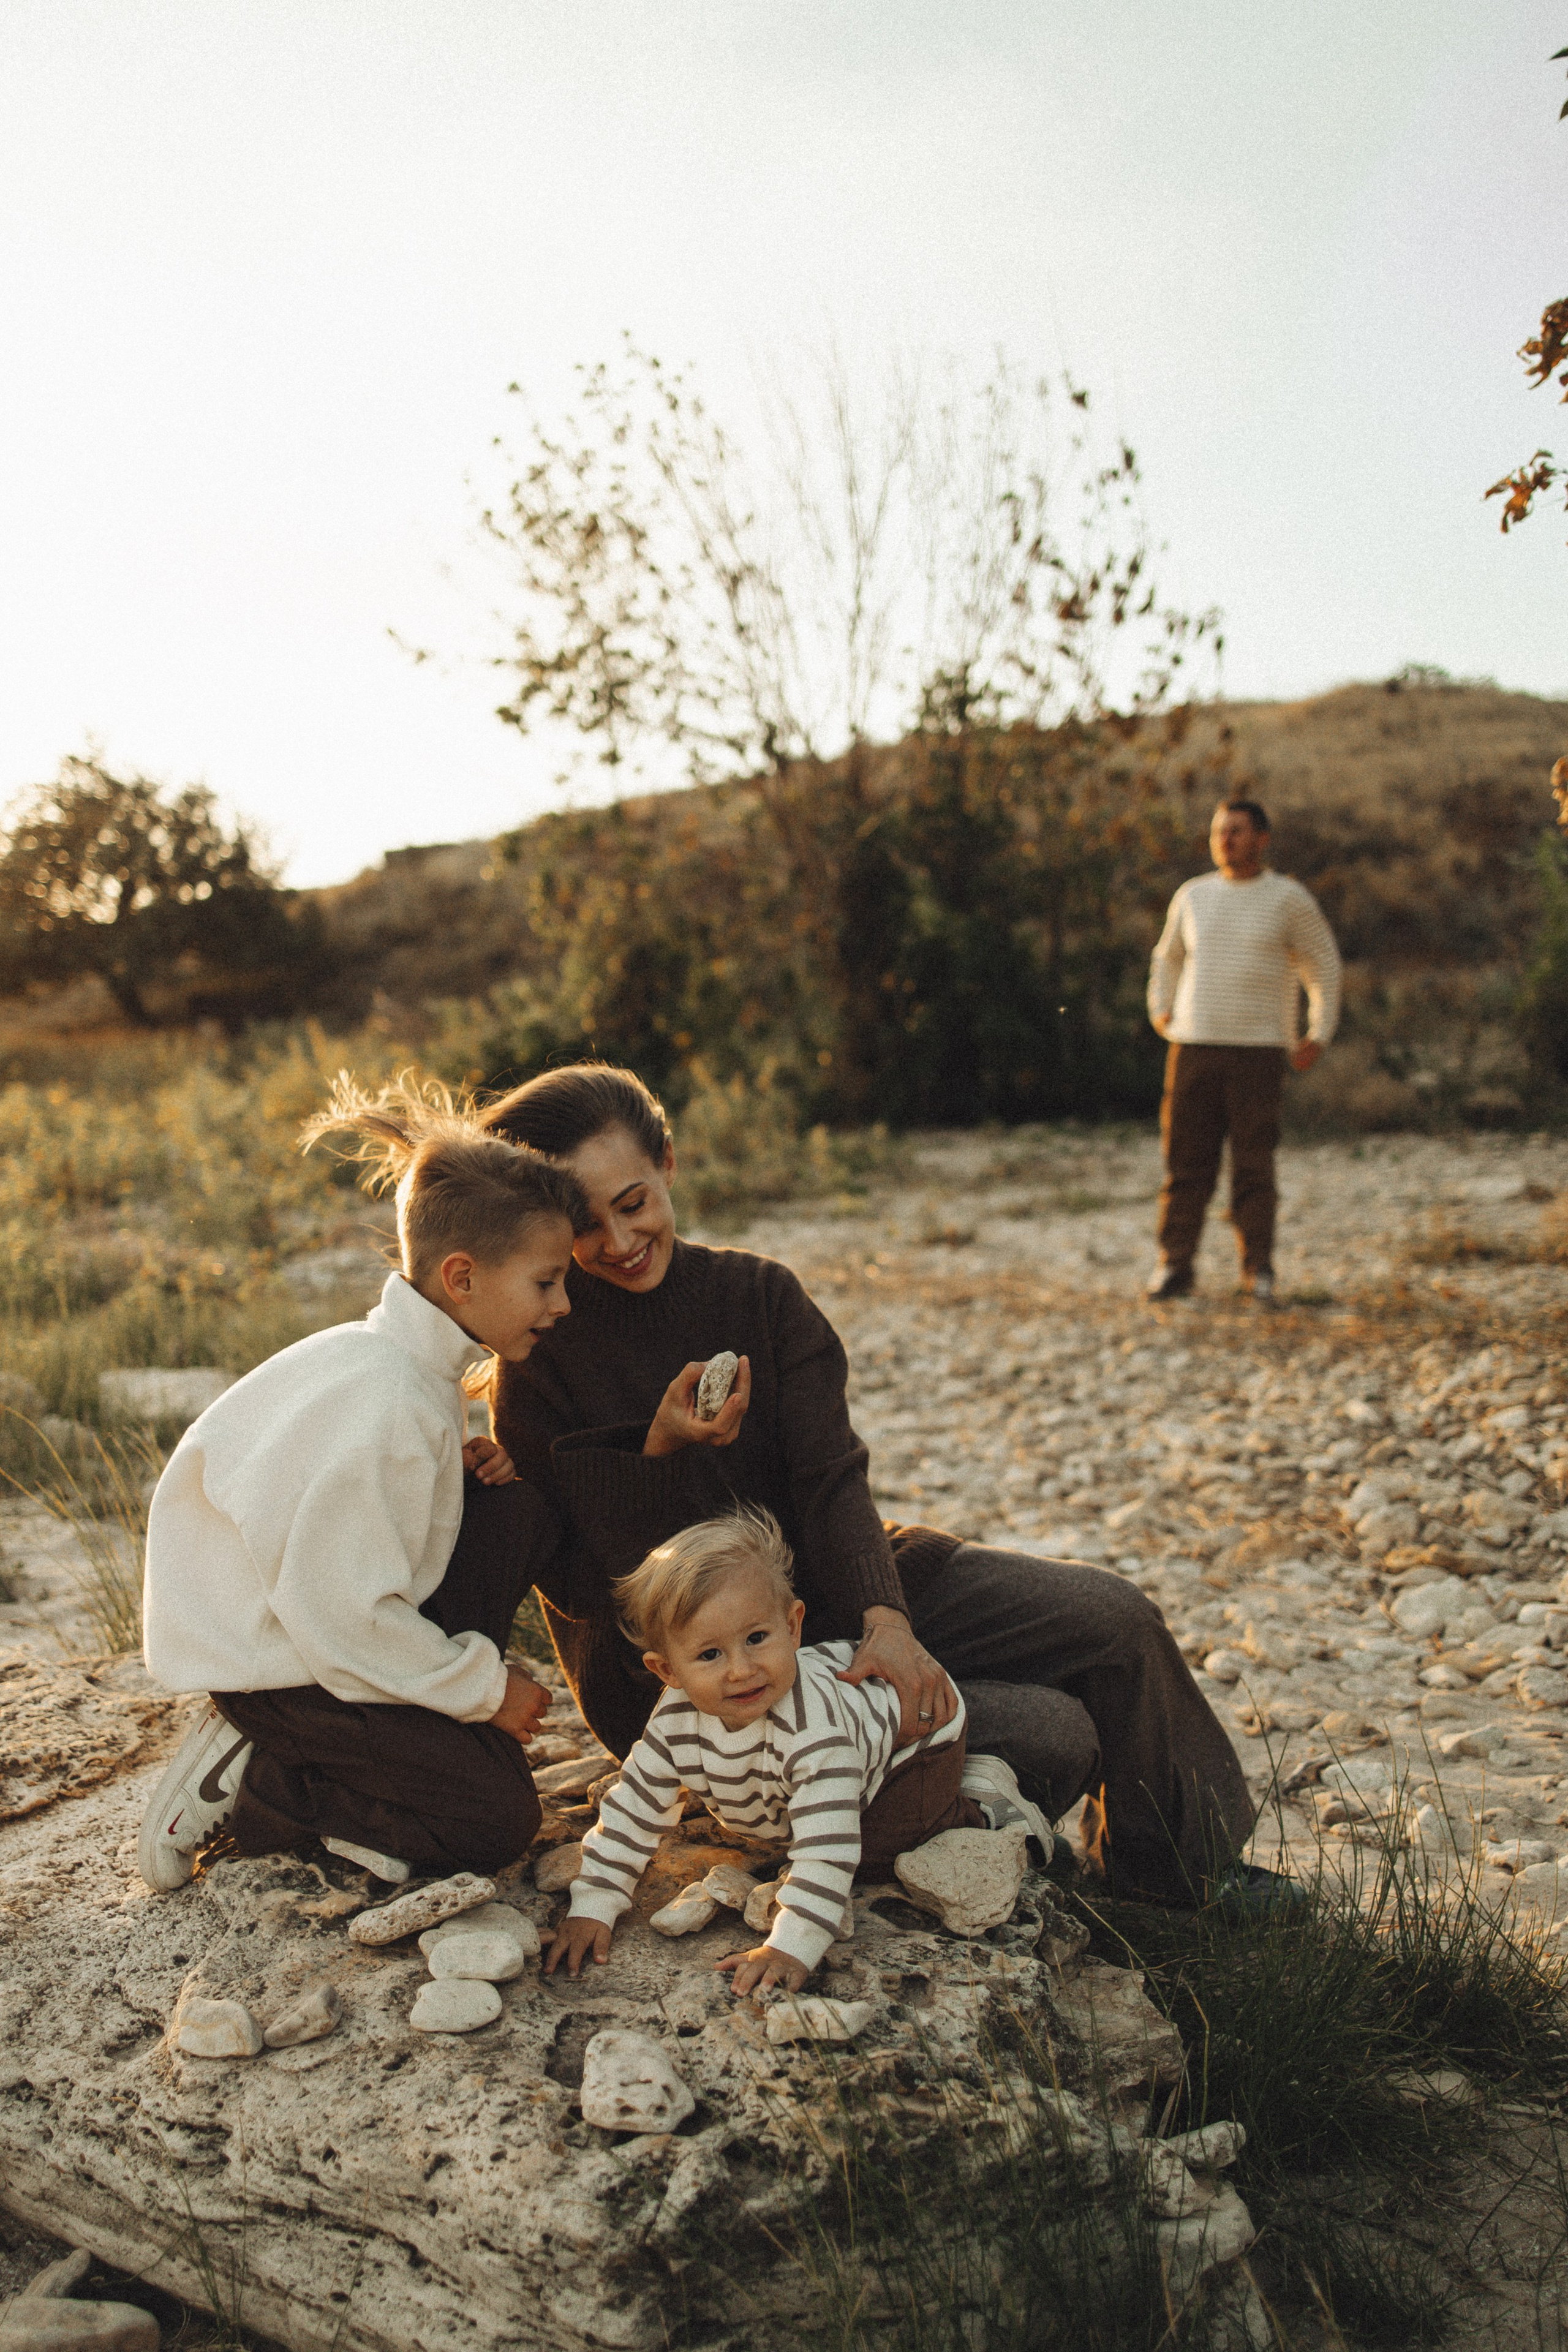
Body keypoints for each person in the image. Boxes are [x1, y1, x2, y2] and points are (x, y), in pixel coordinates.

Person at [482, 1063, 1274, 1912]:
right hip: (710, 1675)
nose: (617, 1239)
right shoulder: (536, 1355)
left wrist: (887, 1621)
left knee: (1117, 1622)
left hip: (824, 1586)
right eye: (583, 1224)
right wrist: (655, 1459)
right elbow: (575, 1591)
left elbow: (832, 1480)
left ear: (669, 1164)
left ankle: (1183, 1878)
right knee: (1057, 1735)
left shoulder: (761, 1296)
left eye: (633, 1202)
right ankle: (949, 1819)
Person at [137, 1080, 591, 1893]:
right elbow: (340, 1611)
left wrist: (460, 1473)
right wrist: (485, 1690)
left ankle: (401, 1735)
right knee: (496, 1820)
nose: (562, 1305)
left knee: (520, 1508)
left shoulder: (408, 1369)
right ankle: (260, 1786)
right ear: (463, 1277)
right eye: (547, 1281)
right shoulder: (388, 1405)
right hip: (283, 1667)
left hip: (323, 1629)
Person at [545, 1509, 1003, 1996]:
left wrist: (790, 1946)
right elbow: (632, 1811)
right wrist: (593, 1905)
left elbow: (828, 1854)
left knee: (872, 1851)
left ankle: (984, 1801)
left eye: (757, 1639)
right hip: (842, 1735)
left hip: (916, 1737)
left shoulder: (813, 1736)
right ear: (667, 1672)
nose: (741, 1670)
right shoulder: (675, 1720)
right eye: (709, 1655)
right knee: (805, 1819)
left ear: (793, 1626)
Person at [1145, 796, 1341, 1305]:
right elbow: (1167, 958)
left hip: (1258, 1050)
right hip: (1193, 1045)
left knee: (1254, 1165)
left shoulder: (1288, 898)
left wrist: (1318, 1031)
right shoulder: (1193, 895)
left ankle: (1258, 1273)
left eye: (1235, 830)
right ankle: (1174, 1266)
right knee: (1185, 1162)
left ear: (1262, 838)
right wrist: (1161, 1008)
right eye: (1218, 830)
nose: (1224, 839)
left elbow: (1322, 964)